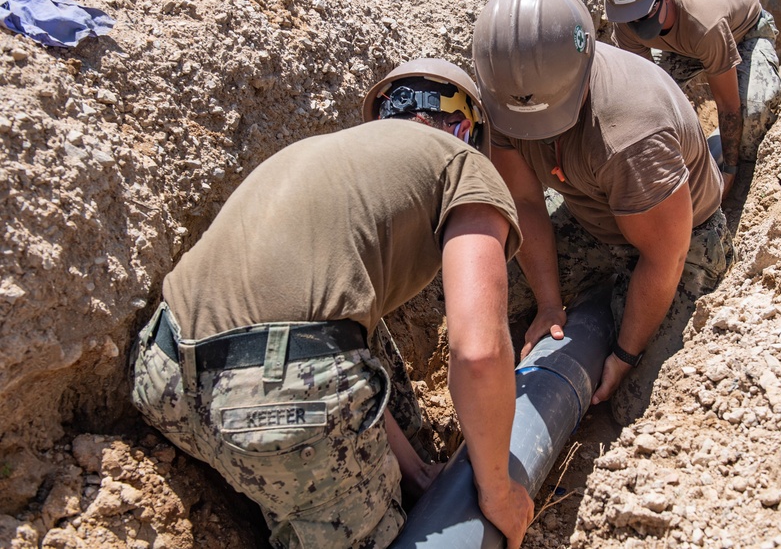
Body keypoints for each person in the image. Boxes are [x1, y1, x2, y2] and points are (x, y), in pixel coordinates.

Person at [130, 58, 533, 549]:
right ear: (467, 129)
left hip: (164, 378)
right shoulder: (463, 162)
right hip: (278, 405)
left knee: (360, 334)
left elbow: (325, 337)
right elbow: (480, 353)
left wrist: (411, 471)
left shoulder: (333, 160)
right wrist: (497, 491)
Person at [472, 0, 735, 426]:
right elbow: (524, 202)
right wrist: (550, 304)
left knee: (636, 404)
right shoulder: (506, 90)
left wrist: (624, 355)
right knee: (498, 292)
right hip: (594, 215)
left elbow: (663, 256)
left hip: (682, 241)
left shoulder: (633, 133)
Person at [602, 0, 781, 197]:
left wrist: (729, 170)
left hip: (743, 34)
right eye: (629, 18)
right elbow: (643, 95)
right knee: (659, 100)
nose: (635, 25)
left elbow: (727, 103)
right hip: (684, 46)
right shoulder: (626, 18)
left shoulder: (704, 22)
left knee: (753, 107)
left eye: (643, 16)